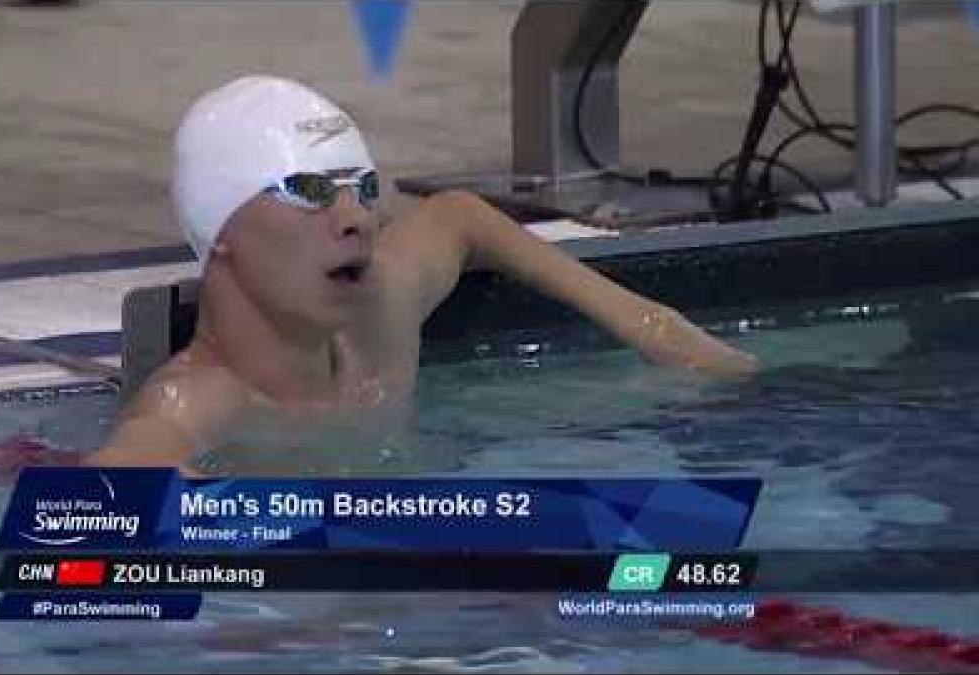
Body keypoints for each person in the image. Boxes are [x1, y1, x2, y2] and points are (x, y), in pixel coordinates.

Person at [87, 75, 758, 474]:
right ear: (220, 229)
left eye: (363, 187)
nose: (356, 219)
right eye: (311, 190)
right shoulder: (200, 402)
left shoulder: (378, 316)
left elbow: (460, 218)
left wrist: (657, 328)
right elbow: (97, 500)